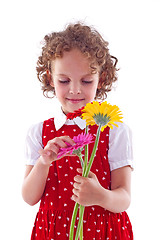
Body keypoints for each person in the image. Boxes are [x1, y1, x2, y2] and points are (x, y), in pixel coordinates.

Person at [22, 22, 133, 239]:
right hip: (53, 232)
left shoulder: (113, 130)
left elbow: (125, 197)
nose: (74, 90)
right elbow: (29, 197)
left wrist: (101, 196)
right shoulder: (39, 132)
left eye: (86, 81)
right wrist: (43, 162)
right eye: (64, 80)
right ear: (49, 78)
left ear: (101, 78)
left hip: (103, 231)